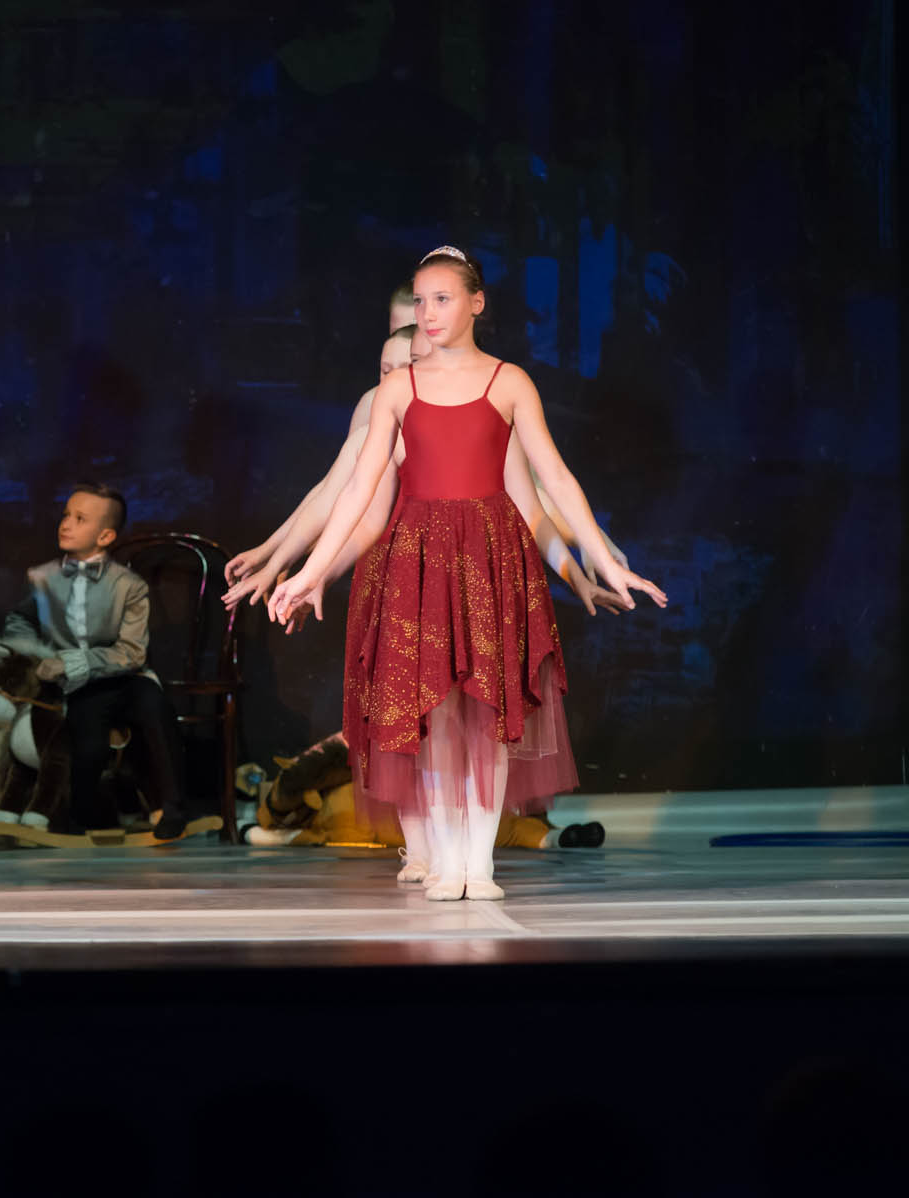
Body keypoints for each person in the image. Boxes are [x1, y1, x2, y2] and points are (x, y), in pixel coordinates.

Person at [268, 248, 663, 901]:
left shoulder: (510, 382)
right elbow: (359, 488)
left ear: (477, 302)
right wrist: (311, 572)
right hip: (416, 558)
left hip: (489, 554)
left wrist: (600, 560)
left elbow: (556, 478)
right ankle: (446, 858)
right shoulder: (399, 388)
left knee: (489, 709)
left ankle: (478, 862)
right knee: (433, 712)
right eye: (421, 301)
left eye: (443, 298)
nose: (429, 313)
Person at [0, 484, 194, 841]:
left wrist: (72, 662)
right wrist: (30, 652)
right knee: (87, 742)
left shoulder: (128, 585)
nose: (66, 523)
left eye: (80, 519)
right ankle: (83, 813)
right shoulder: (43, 577)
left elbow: (132, 652)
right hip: (81, 687)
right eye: (66, 515)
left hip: (125, 676)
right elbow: (20, 619)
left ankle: (172, 806)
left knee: (153, 706)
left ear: (105, 536)